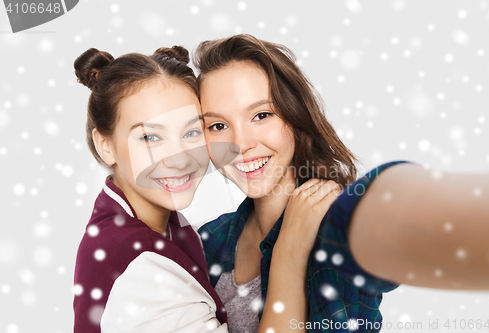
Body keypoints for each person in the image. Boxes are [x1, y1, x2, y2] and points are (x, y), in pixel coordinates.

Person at [194, 34, 489, 333]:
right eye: (218, 125)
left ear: (295, 116)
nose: (241, 144)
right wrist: (289, 250)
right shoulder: (208, 241)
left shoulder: (332, 226)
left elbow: (393, 209)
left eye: (261, 115)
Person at [72, 46, 332, 333]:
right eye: (150, 137)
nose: (181, 158)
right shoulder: (139, 266)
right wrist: (290, 250)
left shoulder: (180, 231)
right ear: (105, 145)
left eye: (192, 132)